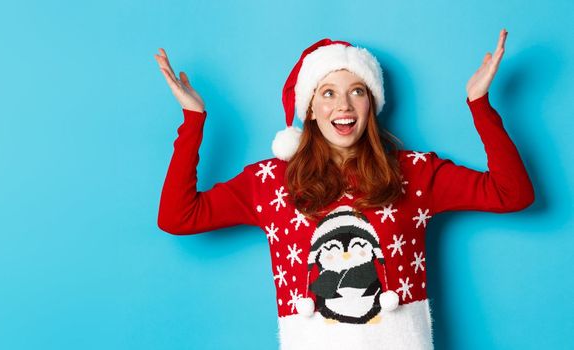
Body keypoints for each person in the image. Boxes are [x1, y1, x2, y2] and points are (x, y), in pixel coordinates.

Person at [154, 29, 534, 349]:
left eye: (357, 91)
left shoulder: (414, 173)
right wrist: (193, 121)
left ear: (372, 103)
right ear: (310, 109)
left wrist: (480, 104)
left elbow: (512, 194)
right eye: (328, 93)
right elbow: (177, 216)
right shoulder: (270, 182)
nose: (344, 105)